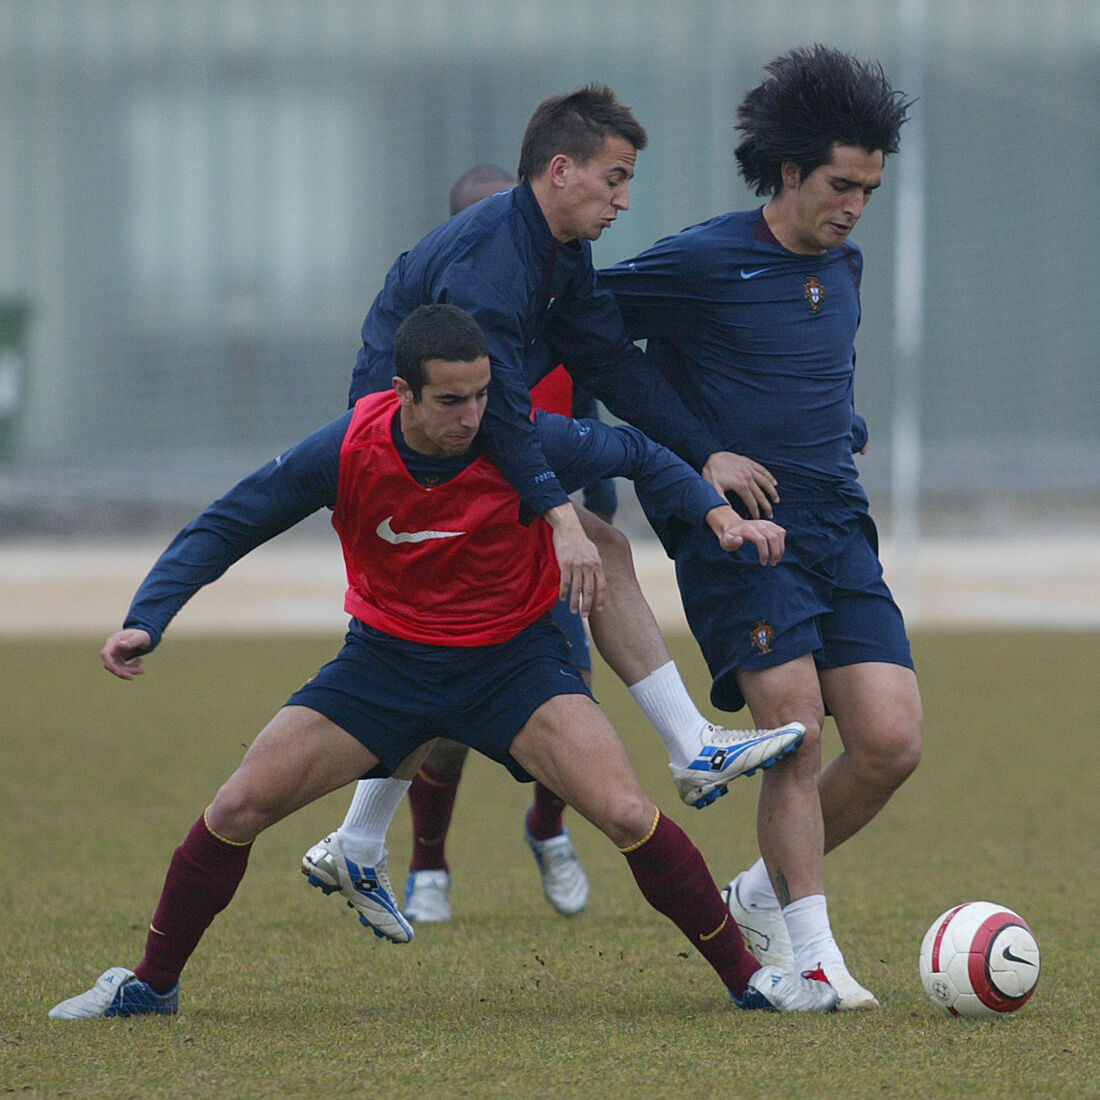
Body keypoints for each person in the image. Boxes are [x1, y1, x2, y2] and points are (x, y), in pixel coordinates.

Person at [48, 304, 836, 1019]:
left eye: (483, 395)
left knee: (628, 812)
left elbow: (634, 449)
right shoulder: (347, 447)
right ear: (404, 393)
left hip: (514, 667)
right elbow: (228, 524)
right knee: (236, 808)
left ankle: (750, 983)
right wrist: (146, 619)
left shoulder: (522, 439)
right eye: (452, 401)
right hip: (384, 667)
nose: (474, 417)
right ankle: (151, 986)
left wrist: (718, 517)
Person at [594, 46, 923, 1009]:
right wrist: (700, 456)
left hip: (837, 527)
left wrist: (841, 429)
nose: (855, 204)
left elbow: (812, 372)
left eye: (869, 187)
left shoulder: (846, 264)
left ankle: (754, 892)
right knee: (794, 730)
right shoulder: (703, 259)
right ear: (788, 172)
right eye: (840, 184)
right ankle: (814, 959)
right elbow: (596, 339)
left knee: (893, 743)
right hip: (743, 529)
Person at [406, 165, 617, 922]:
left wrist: (599, 508)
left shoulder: (547, 305)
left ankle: (548, 827)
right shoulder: (432, 351)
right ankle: (427, 862)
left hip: (544, 544)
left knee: (572, 704)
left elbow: (584, 402)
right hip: (454, 553)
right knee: (438, 722)